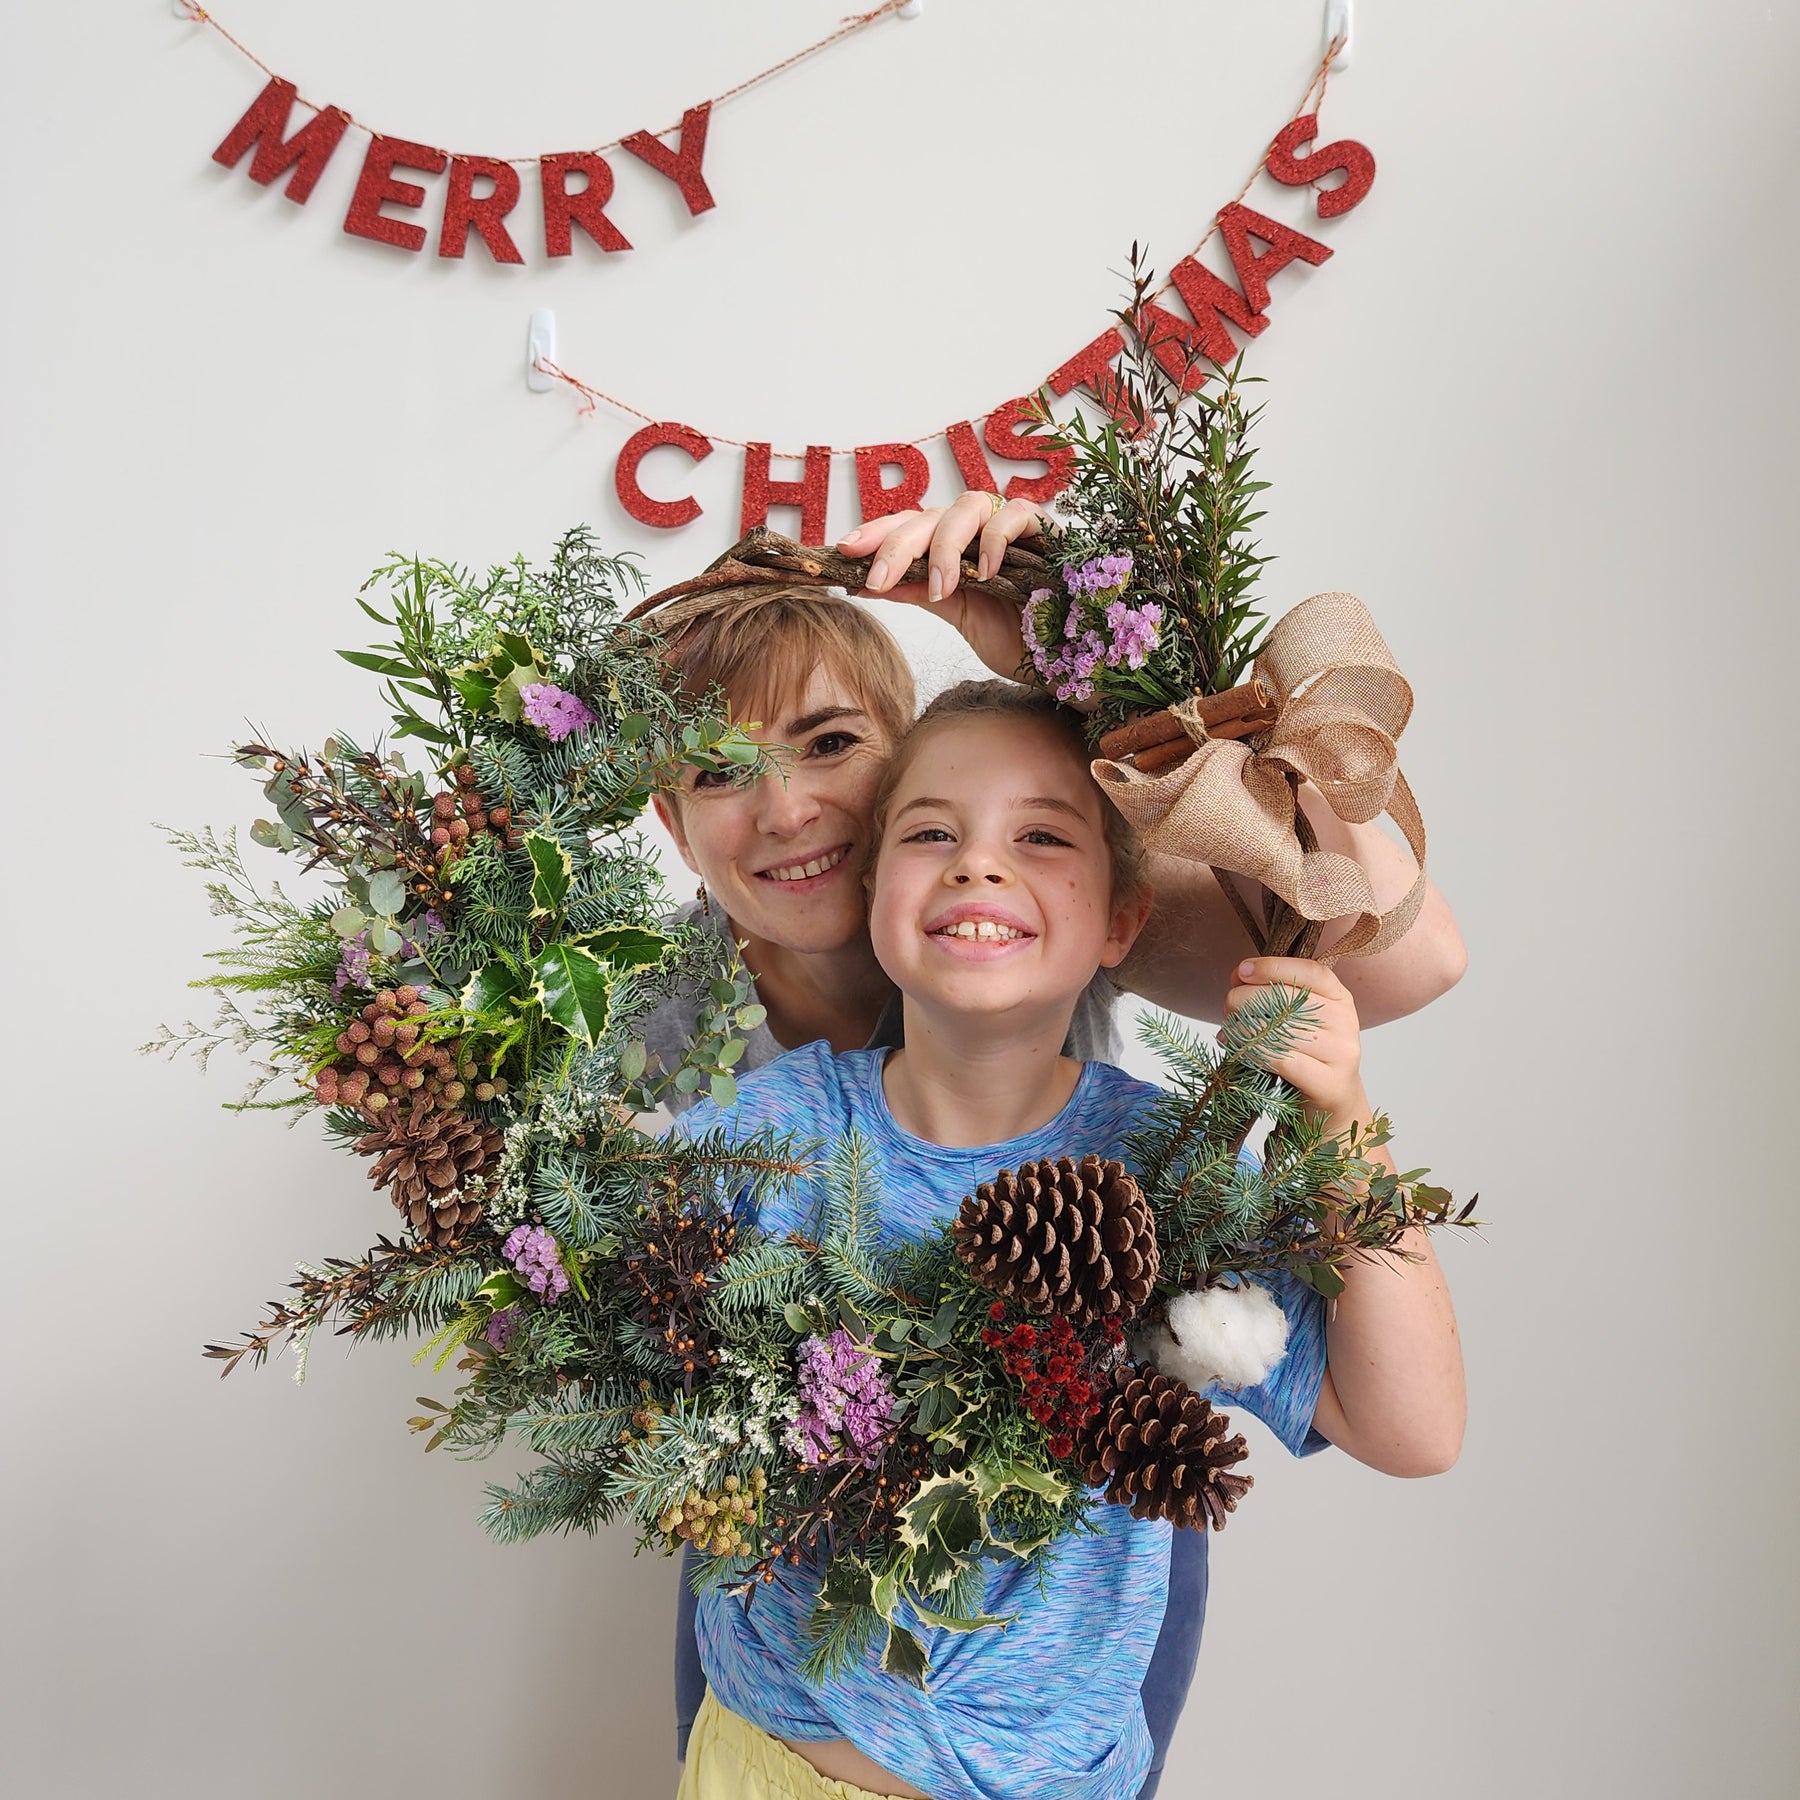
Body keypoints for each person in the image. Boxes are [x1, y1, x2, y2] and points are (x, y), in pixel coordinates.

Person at [641, 497, 1467, 1795]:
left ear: (1116, 917)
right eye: (718, 769)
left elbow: (1408, 1420)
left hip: (1056, 1708)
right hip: (778, 1705)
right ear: (669, 820)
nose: (788, 806)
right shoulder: (714, 1090)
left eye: (830, 743)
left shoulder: (1149, 1158)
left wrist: (1087, 662)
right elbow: (603, 1342)